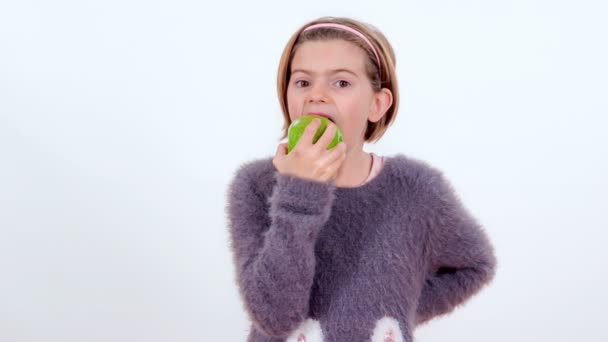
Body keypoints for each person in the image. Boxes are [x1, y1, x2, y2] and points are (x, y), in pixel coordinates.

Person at [225, 16, 497, 342]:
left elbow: (475, 265)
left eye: (341, 83)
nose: (317, 96)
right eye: (302, 82)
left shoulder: (416, 189)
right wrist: (300, 189)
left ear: (377, 104)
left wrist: (397, 311)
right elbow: (275, 318)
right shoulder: (255, 185)